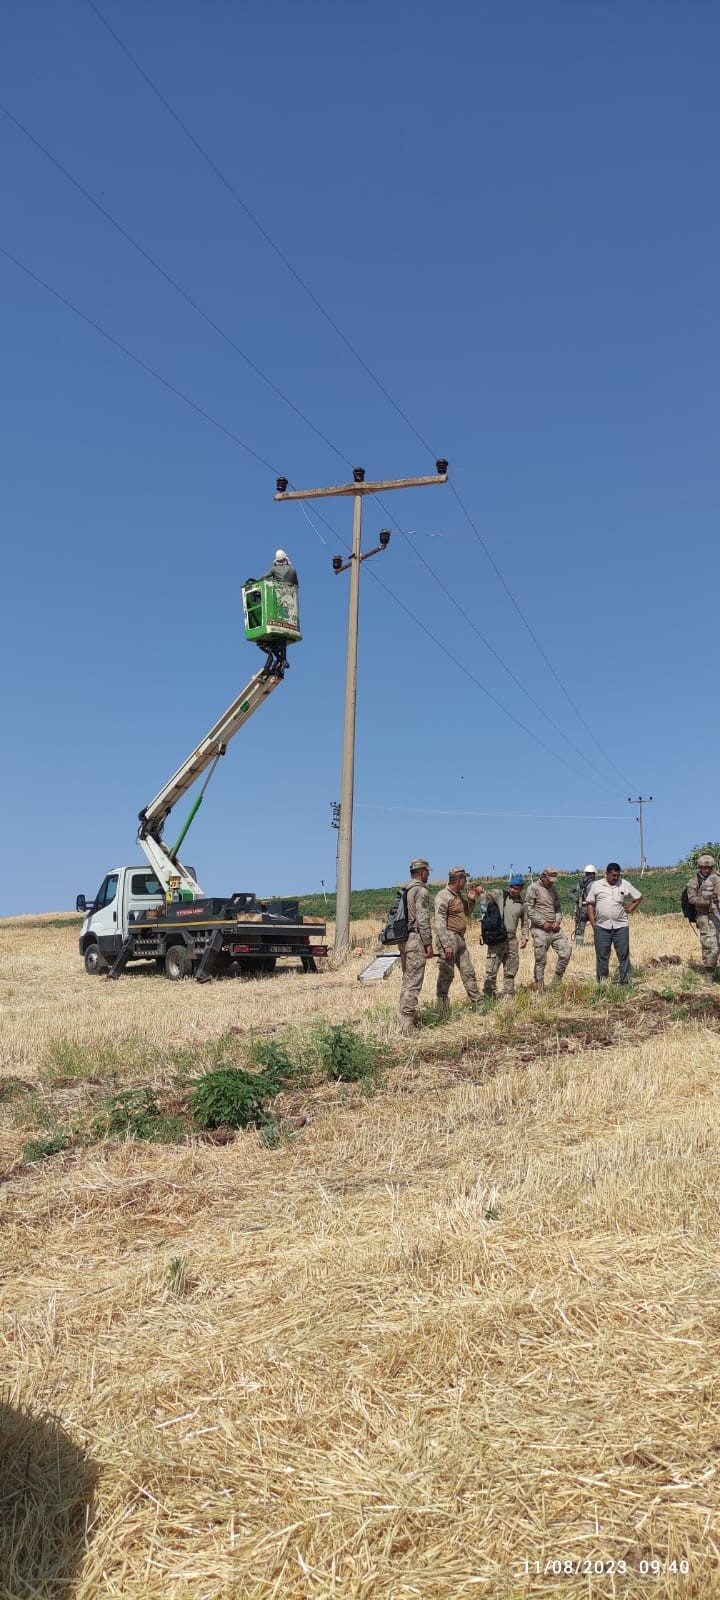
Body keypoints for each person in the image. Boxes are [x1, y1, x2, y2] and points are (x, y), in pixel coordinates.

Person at [586, 862, 642, 985]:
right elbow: (590, 904)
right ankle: (603, 983)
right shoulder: (597, 886)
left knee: (623, 955)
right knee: (602, 956)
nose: (616, 878)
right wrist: (593, 923)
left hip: (620, 926)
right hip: (602, 926)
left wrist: (631, 908)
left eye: (618, 875)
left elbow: (638, 897)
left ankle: (625, 982)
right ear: (606, 874)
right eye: (613, 875)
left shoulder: (625, 884)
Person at [435, 867, 482, 1011]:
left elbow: (466, 913)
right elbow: (440, 921)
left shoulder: (459, 895)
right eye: (465, 879)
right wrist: (446, 944)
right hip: (449, 936)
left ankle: (478, 1004)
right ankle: (442, 1007)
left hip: (460, 938)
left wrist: (471, 900)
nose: (466, 881)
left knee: (468, 972)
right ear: (459, 880)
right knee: (447, 974)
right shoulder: (443, 896)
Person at [399, 859, 434, 1032]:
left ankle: (404, 1018)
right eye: (428, 871)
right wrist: (428, 943)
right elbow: (422, 919)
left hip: (404, 939)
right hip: (415, 938)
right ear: (422, 872)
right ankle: (407, 1024)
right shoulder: (420, 891)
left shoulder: (405, 890)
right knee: (413, 982)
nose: (429, 875)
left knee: (407, 980)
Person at [482, 874, 529, 999]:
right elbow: (485, 895)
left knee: (510, 970)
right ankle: (488, 996)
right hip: (497, 938)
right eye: (511, 887)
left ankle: (508, 995)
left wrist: (525, 937)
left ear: (521, 889)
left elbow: (525, 923)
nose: (512, 890)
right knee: (491, 970)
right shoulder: (500, 896)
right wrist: (481, 891)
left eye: (516, 888)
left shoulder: (523, 905)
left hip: (512, 940)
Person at [525, 867, 571, 989]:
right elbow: (529, 909)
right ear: (543, 876)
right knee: (541, 959)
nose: (551, 882)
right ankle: (539, 985)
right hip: (539, 929)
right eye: (549, 879)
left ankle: (556, 981)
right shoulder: (533, 888)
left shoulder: (553, 889)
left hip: (554, 929)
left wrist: (557, 920)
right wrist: (542, 923)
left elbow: (558, 908)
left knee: (566, 952)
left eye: (553, 880)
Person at [685, 853, 720, 978]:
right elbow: (692, 899)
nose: (706, 870)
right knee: (708, 945)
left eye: (709, 868)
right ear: (699, 867)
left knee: (717, 944)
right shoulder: (694, 881)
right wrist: (708, 901)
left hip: (717, 915)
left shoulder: (717, 879)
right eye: (704, 868)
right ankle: (709, 972)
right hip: (704, 916)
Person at [573, 864, 597, 947]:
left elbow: (570, 891)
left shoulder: (580, 883)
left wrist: (576, 900)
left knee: (580, 928)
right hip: (592, 908)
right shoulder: (596, 884)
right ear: (593, 873)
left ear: (585, 873)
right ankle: (600, 944)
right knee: (597, 926)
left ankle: (579, 946)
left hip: (581, 908)